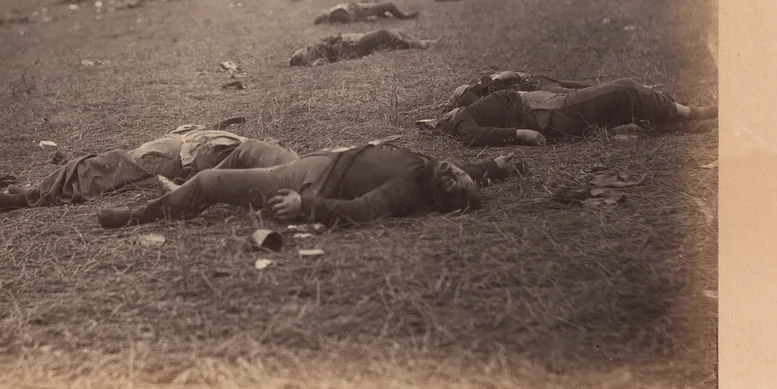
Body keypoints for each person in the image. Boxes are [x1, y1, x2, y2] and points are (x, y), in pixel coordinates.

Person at [96, 141, 526, 229]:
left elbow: (362, 210)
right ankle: (180, 190)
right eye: (460, 172)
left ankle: (139, 217)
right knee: (250, 147)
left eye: (453, 182)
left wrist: (307, 209)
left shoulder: (410, 188)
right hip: (317, 158)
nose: (454, 171)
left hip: (308, 179)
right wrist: (495, 165)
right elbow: (463, 170)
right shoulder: (435, 170)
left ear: (439, 198)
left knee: (210, 181)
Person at [0, 125, 298, 210]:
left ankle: (26, 197)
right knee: (108, 167)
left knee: (105, 167)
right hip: (184, 144)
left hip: (180, 154)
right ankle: (33, 190)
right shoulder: (276, 157)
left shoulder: (276, 162)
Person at [425, 77, 717, 147]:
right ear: (445, 121)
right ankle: (694, 113)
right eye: (449, 110)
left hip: (550, 106)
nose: (452, 110)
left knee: (621, 107)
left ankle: (685, 126)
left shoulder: (474, 106)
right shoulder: (461, 120)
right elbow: (473, 137)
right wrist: (521, 134)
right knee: (624, 90)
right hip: (550, 114)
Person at [444, 71, 594, 109]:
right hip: (538, 90)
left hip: (535, 82)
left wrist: (499, 79)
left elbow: (510, 75)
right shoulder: (486, 98)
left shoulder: (490, 82)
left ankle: (599, 87)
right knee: (570, 93)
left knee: (571, 87)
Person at [289, 28, 432, 66]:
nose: (301, 50)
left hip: (353, 41)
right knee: (383, 32)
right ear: (300, 57)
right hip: (352, 47)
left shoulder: (311, 50)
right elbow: (324, 57)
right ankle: (417, 44)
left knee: (392, 32)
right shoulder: (311, 54)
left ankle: (418, 42)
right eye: (298, 53)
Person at [313, 1, 419, 25]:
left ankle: (382, 15)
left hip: (360, 8)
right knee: (389, 5)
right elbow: (351, 18)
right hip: (362, 11)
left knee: (379, 6)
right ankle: (405, 17)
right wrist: (366, 19)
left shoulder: (334, 12)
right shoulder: (336, 14)